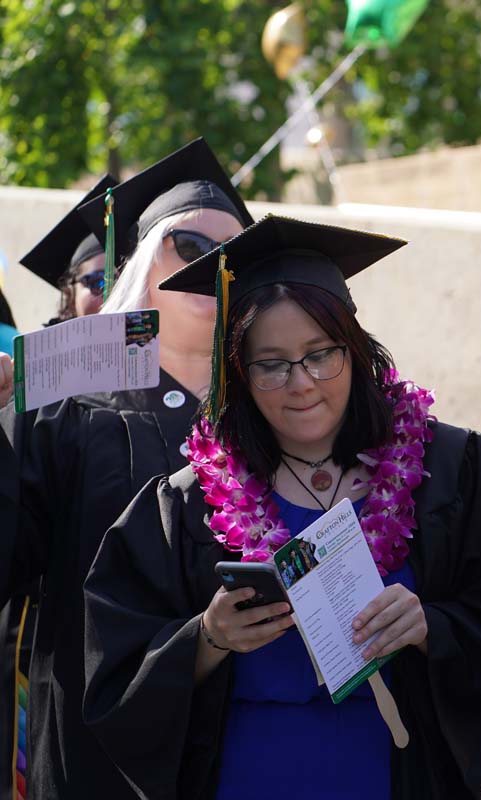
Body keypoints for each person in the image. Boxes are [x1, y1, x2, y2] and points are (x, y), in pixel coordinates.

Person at [82, 215, 481, 800]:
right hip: (244, 777)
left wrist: (432, 627)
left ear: (356, 351)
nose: (301, 383)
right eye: (271, 363)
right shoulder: (188, 504)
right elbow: (114, 665)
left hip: (398, 777)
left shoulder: (451, 470)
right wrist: (207, 638)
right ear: (238, 372)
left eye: (320, 354)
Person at [0, 137, 253, 799]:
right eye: (192, 248)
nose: (214, 267)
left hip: (250, 743)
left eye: (235, 255)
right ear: (144, 263)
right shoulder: (64, 409)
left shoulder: (283, 411)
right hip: (96, 748)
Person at [0, 173, 116, 800]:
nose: (110, 291)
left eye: (122, 275)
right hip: (48, 641)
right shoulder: (30, 392)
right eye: (96, 281)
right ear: (67, 295)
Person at [19, 174, 119, 326]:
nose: (112, 294)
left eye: (126, 281)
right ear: (70, 295)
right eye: (99, 282)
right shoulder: (41, 349)